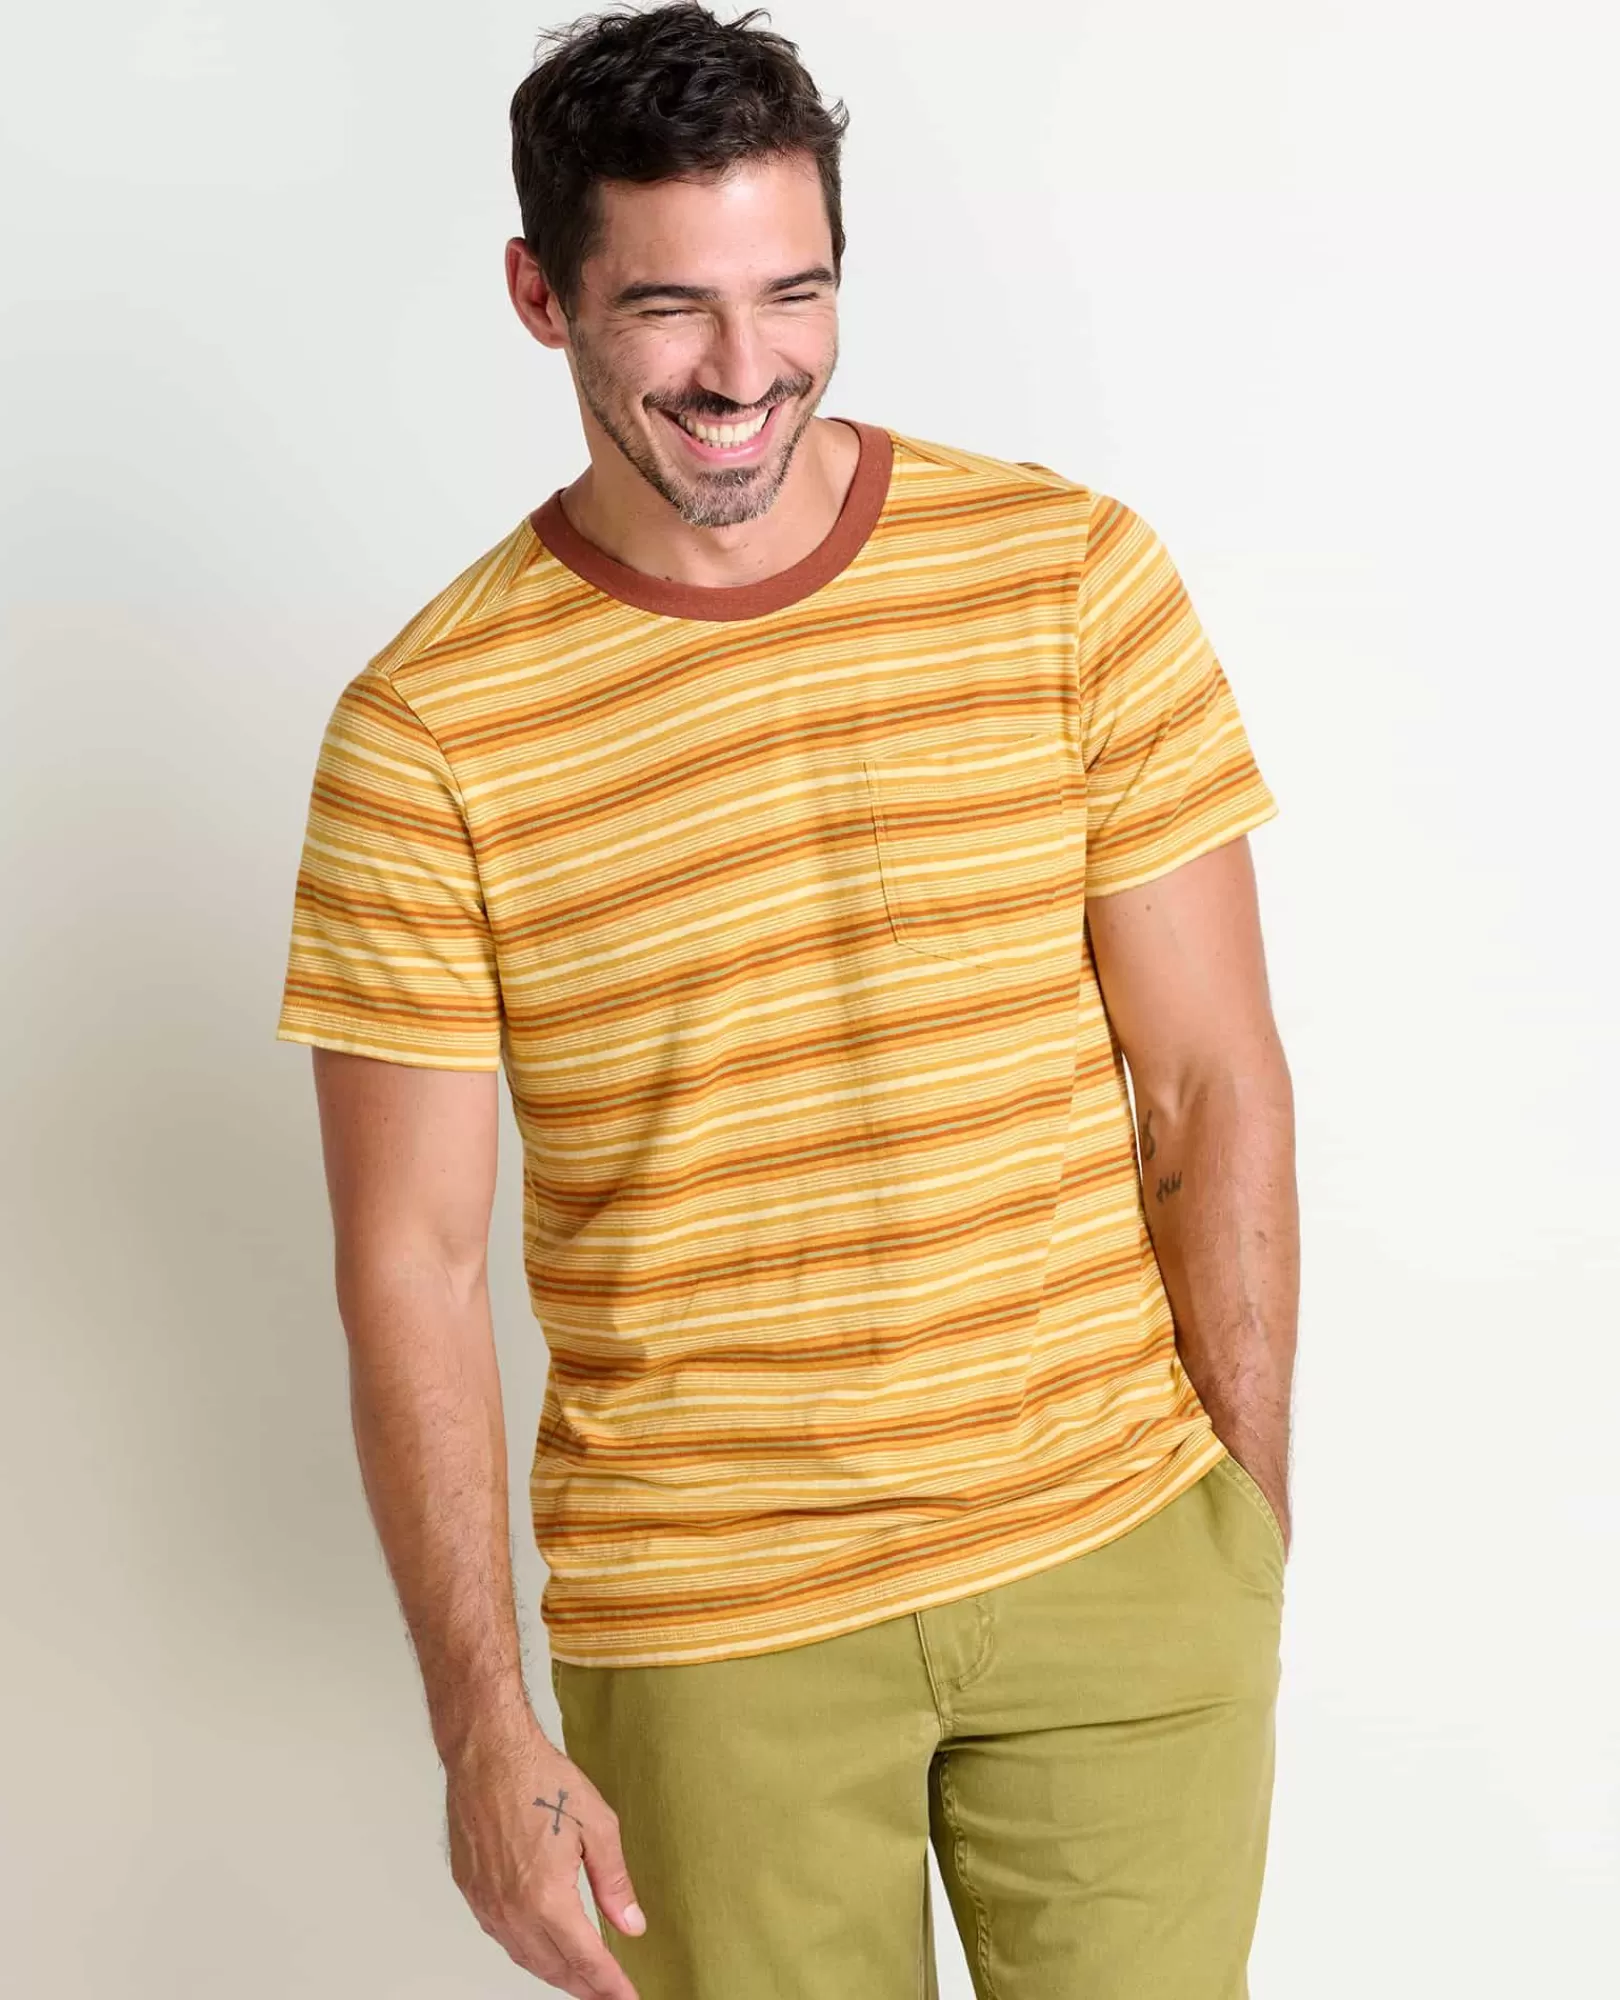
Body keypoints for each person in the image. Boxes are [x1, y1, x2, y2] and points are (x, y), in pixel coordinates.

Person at [275, 5, 1300, 1996]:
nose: (746, 369)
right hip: (711, 1633)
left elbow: (1209, 1082)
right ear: (540, 296)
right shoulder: (427, 731)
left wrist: (1240, 1531)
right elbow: (410, 1255)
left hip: (1121, 1565)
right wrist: (483, 1725)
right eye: (670, 307)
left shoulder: (1068, 578)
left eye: (794, 292)